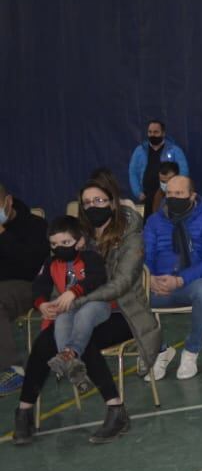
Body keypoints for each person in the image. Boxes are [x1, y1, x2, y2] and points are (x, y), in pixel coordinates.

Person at [12, 177, 162, 446]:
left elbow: (121, 283)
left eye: (99, 200)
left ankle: (116, 410)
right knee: (45, 342)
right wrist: (49, 304)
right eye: (87, 202)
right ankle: (24, 410)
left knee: (85, 337)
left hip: (124, 313)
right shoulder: (76, 237)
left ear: (112, 202)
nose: (93, 206)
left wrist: (75, 300)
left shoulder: (131, 237)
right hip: (79, 309)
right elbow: (58, 278)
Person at [144, 176, 202, 380]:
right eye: (169, 194)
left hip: (190, 284)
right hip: (158, 286)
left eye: (179, 194)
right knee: (130, 295)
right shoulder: (154, 221)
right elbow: (145, 256)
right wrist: (149, 279)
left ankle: (191, 351)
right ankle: (160, 351)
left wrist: (180, 280)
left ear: (192, 195)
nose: (173, 197)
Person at [33, 216, 109, 395]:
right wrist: (41, 304)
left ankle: (70, 353)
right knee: (61, 320)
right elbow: (39, 286)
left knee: (85, 313)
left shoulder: (91, 256)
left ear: (80, 241)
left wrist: (74, 291)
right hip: (70, 308)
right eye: (54, 244)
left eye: (66, 242)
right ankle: (75, 370)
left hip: (98, 304)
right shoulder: (50, 262)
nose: (59, 248)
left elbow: (98, 277)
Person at [0, 183, 47, 396]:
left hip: (28, 285)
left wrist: (3, 235)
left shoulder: (35, 225)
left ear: (8, 202)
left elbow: (30, 265)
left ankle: (12, 370)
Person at [127, 120, 189, 205]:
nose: (152, 135)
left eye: (156, 132)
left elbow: (183, 172)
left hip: (167, 197)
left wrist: (175, 192)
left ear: (163, 133)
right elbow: (133, 172)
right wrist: (138, 193)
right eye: (150, 132)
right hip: (146, 197)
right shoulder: (139, 151)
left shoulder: (175, 150)